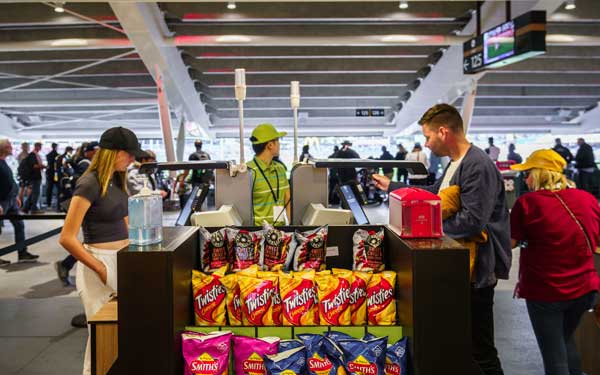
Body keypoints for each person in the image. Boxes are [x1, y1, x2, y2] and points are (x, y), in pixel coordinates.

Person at [372, 103, 511, 375]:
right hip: (459, 270)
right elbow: (434, 193)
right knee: (465, 347)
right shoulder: (456, 163)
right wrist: (394, 187)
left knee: (481, 351)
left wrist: (428, 227)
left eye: (428, 137)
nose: (426, 143)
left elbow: (472, 221)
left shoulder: (477, 165)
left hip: (476, 273)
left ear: (444, 132)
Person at [59, 126, 143, 375]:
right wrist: (100, 268)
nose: (132, 159)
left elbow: (128, 224)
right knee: (101, 337)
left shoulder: (117, 180)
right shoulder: (89, 182)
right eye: (128, 154)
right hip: (98, 264)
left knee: (122, 335)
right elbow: (67, 238)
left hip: (121, 261)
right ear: (113, 153)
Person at [510, 149, 599, 375]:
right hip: (585, 289)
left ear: (539, 173)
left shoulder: (528, 203)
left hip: (545, 291)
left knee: (553, 356)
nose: (526, 179)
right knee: (565, 341)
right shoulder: (587, 199)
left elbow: (510, 242)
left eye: (528, 173)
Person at [0, 139, 40, 264]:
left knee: (19, 225)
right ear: (3, 148)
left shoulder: (3, 162)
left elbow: (9, 180)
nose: (12, 148)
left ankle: (22, 252)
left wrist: (15, 195)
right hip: (2, 201)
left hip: (10, 200)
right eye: (9, 146)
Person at [246, 123, 290, 226]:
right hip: (258, 235)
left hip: (281, 233)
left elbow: (287, 198)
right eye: (277, 141)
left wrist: (291, 228)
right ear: (270, 145)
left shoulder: (280, 169)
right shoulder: (248, 172)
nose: (279, 145)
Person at [178, 140, 212, 206]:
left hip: (196, 180)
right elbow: (210, 168)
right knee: (203, 196)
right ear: (201, 145)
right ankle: (203, 210)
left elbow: (187, 170)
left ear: (195, 145)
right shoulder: (207, 155)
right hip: (205, 180)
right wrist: (209, 179)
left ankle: (197, 211)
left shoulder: (193, 156)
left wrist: (182, 180)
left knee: (196, 196)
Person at [22, 142, 45, 213]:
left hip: (36, 176)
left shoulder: (35, 154)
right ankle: (33, 209)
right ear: (36, 146)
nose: (40, 148)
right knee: (36, 193)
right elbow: (33, 166)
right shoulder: (32, 155)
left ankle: (26, 207)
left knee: (33, 193)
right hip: (35, 177)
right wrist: (42, 166)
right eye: (40, 146)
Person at [45, 142, 59, 209]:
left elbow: (48, 165)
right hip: (56, 174)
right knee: (59, 189)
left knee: (49, 190)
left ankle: (48, 204)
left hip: (49, 174)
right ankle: (58, 204)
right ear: (56, 147)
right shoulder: (58, 155)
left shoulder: (48, 155)